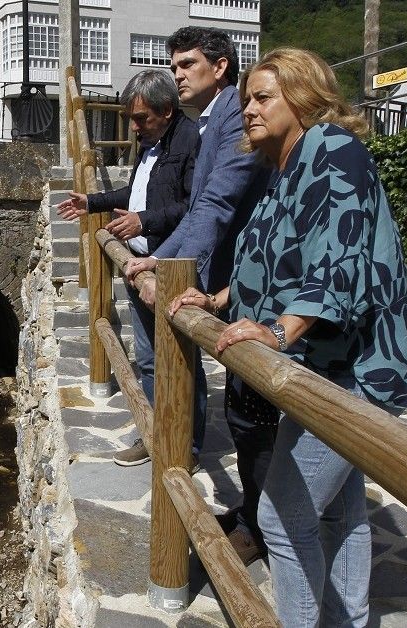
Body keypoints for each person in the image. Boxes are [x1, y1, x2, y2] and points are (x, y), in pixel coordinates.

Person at [169, 48, 407, 626]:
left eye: (264, 97)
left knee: (284, 513)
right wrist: (216, 300)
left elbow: (340, 258)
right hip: (325, 365)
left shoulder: (333, 150)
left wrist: (281, 331)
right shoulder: (283, 167)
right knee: (339, 513)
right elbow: (266, 261)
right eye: (247, 100)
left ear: (303, 96)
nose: (250, 110)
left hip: (355, 367)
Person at [119, 26, 274, 565]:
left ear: (221, 67)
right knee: (244, 409)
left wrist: (162, 262)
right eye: (175, 64)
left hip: (250, 287)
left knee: (255, 410)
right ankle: (257, 513)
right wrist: (159, 260)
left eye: (187, 64)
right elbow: (205, 205)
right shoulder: (213, 121)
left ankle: (263, 525)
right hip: (236, 282)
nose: (177, 74)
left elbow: (217, 205)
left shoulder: (231, 115)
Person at [55, 69, 198, 439]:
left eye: (140, 118)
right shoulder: (153, 141)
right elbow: (136, 195)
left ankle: (185, 445)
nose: (133, 127)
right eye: (131, 119)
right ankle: (153, 433)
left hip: (168, 267)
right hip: (138, 268)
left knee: (181, 363)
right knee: (149, 360)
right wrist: (92, 202)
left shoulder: (189, 141)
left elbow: (196, 208)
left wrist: (145, 221)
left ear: (166, 109)